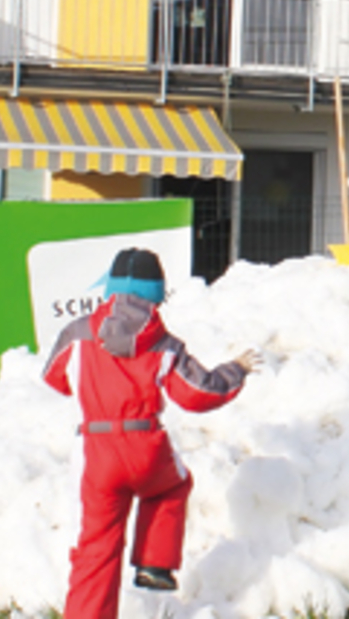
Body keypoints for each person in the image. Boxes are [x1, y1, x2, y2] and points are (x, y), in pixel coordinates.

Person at [42, 247, 258, 619]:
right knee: (172, 486)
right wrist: (234, 370)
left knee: (96, 547)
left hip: (95, 450)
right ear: (157, 293)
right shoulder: (163, 343)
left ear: (110, 288)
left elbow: (53, 377)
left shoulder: (76, 334)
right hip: (145, 444)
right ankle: (154, 565)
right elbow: (197, 393)